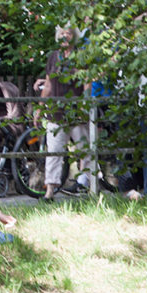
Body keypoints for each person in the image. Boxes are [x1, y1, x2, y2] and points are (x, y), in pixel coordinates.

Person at [36, 25, 90, 199]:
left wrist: (84, 105)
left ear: (74, 36)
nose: (65, 36)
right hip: (56, 112)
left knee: (86, 149)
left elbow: (87, 82)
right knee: (54, 151)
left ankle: (87, 184)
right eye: (62, 33)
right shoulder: (53, 57)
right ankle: (50, 191)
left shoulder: (81, 56)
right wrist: (40, 107)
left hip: (76, 113)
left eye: (68, 33)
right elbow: (49, 84)